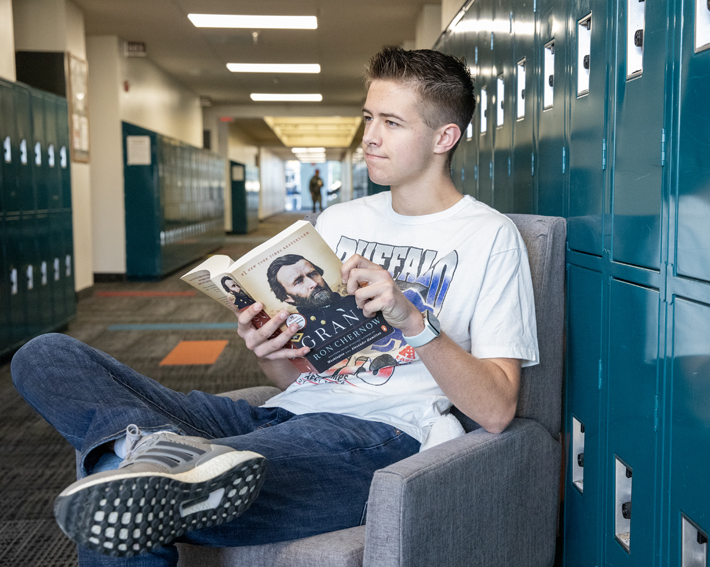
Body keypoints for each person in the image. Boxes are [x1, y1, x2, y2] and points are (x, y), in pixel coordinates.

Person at [11, 47, 538, 566]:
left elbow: (495, 411)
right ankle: (149, 460)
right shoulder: (338, 220)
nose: (370, 136)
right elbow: (297, 378)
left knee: (118, 498)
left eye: (392, 123)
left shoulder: (488, 237)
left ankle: (139, 467)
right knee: (45, 355)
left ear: (444, 137)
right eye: (368, 117)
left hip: (380, 436)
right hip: (277, 415)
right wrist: (268, 349)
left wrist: (413, 323)